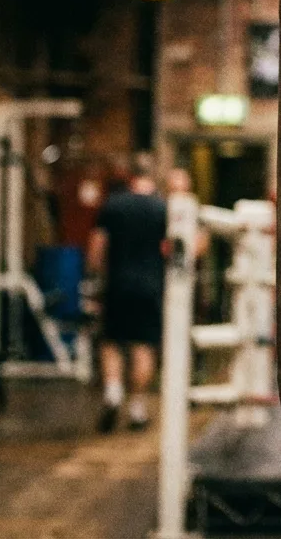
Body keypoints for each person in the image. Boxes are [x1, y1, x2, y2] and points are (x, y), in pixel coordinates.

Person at [87, 153, 168, 433]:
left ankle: (112, 394)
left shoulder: (113, 206)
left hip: (118, 283)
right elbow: (174, 248)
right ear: (152, 174)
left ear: (130, 176)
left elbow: (97, 248)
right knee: (143, 346)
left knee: (111, 342)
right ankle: (137, 408)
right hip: (150, 285)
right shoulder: (162, 208)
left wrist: (95, 277)